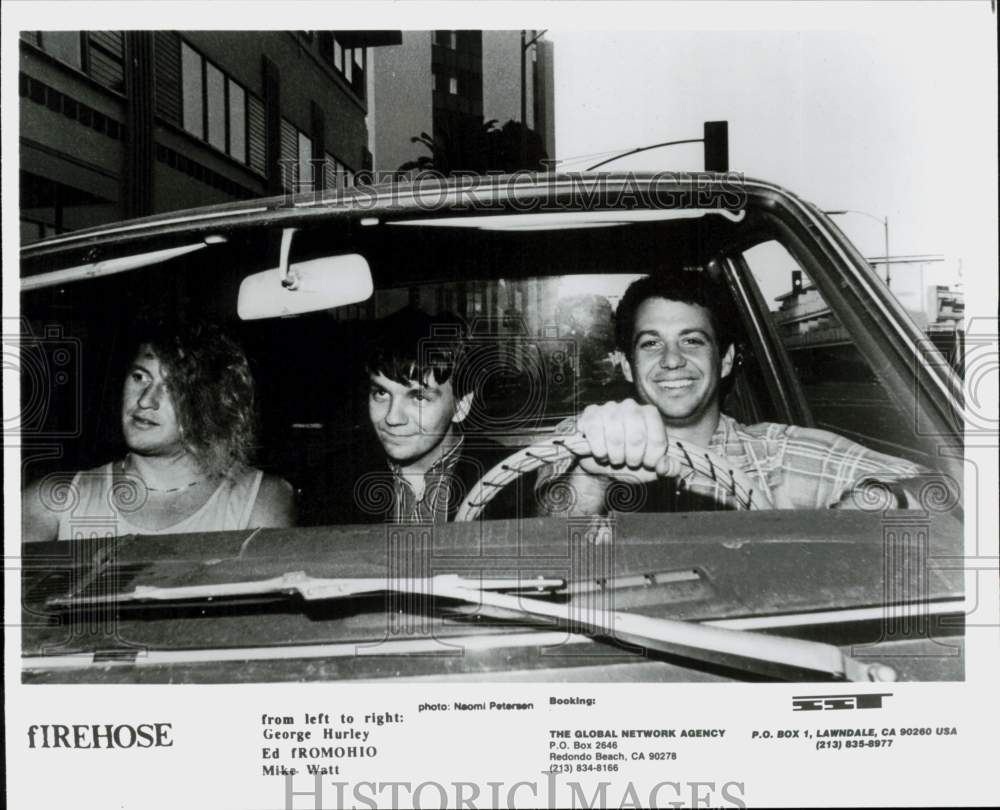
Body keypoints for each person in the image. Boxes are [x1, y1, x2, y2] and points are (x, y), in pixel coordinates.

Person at [538, 270, 928, 515]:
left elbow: (944, 489)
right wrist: (592, 478)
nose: (672, 360)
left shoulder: (778, 455)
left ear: (724, 361)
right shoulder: (583, 443)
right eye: (651, 344)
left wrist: (863, 513)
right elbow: (542, 545)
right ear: (626, 364)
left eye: (691, 341)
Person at [22, 319, 295, 542]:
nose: (144, 400)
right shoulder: (53, 500)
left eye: (174, 388)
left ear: (213, 404)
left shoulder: (259, 499)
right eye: (140, 377)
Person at [347, 307, 527, 523]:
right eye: (381, 393)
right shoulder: (337, 480)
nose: (392, 418)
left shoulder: (510, 478)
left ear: (461, 405)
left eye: (419, 398)